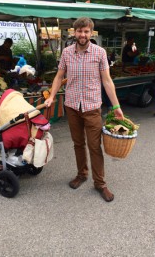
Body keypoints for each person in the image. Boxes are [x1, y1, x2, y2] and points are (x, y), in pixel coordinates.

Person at [45, 17, 124, 202]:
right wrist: (51, 96)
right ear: (74, 33)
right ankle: (82, 174)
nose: (83, 34)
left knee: (95, 146)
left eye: (86, 31)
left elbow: (107, 81)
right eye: (79, 31)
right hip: (72, 105)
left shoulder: (99, 53)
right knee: (78, 143)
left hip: (92, 107)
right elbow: (59, 77)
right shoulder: (66, 53)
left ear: (91, 33)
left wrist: (116, 106)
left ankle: (100, 183)